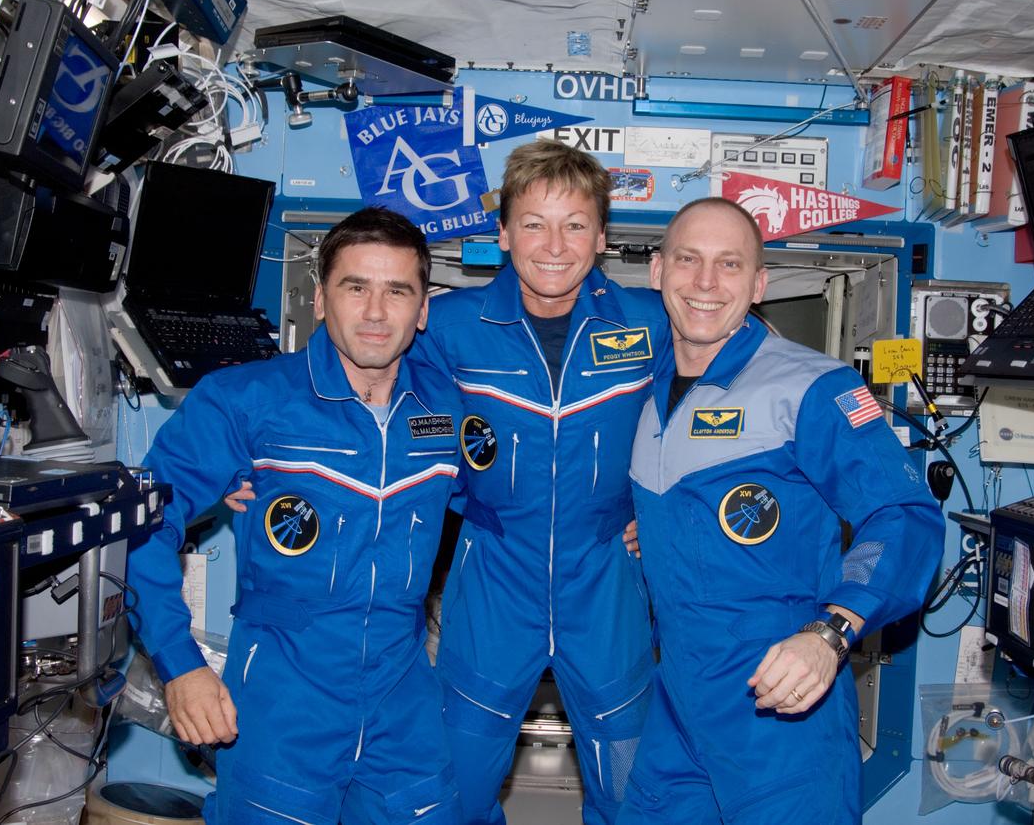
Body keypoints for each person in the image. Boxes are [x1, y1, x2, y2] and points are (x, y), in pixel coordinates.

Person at [126, 207, 465, 825]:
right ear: (320, 299)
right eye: (355, 286)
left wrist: (626, 523)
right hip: (284, 698)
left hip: (404, 700)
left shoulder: (449, 409)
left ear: (422, 311)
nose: (374, 311)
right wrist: (179, 666)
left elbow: (508, 508)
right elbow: (144, 521)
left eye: (397, 291)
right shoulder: (245, 400)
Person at [617, 197, 944, 824]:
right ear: (657, 271)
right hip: (680, 697)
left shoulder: (811, 387)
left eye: (730, 265)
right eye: (689, 260)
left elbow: (903, 515)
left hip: (783, 700)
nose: (706, 284)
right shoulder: (648, 388)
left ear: (759, 283)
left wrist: (832, 632)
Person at [416, 139, 667, 825]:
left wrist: (669, 514)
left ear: (602, 237)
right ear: (502, 233)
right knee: (455, 789)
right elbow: (401, 428)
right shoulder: (448, 326)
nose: (554, 245)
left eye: (575, 224)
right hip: (494, 571)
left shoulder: (650, 324)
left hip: (609, 573)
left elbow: (704, 423)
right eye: (533, 223)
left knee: (629, 786)